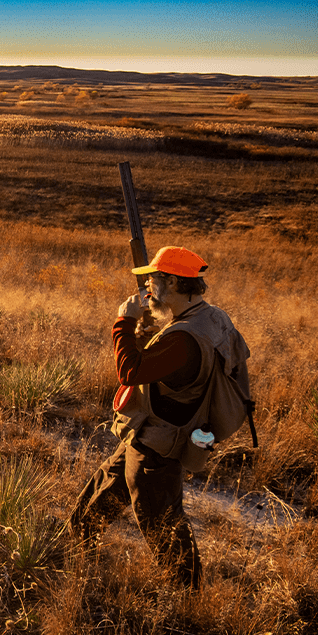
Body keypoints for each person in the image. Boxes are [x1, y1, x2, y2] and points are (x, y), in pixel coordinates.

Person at [67, 246, 251, 590]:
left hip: (160, 444)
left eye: (153, 279)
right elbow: (177, 367)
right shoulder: (211, 318)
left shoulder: (183, 339)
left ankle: (186, 594)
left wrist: (124, 321)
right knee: (108, 486)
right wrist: (147, 335)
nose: (148, 286)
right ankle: (79, 546)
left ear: (170, 282)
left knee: (162, 520)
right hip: (152, 431)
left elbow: (131, 371)